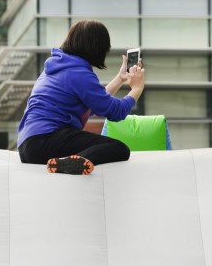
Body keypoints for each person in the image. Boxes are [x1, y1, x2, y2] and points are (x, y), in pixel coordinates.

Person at [17, 19, 145, 175]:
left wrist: (120, 78)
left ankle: (67, 162)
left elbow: (95, 104)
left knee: (106, 146)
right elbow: (116, 112)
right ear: (97, 48)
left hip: (28, 146)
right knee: (119, 148)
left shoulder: (58, 67)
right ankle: (70, 163)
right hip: (46, 140)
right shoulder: (79, 73)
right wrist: (137, 89)